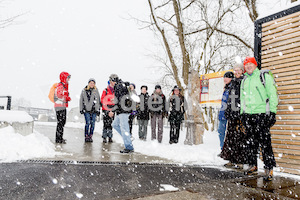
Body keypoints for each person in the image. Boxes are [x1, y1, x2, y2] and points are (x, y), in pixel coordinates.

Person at [240, 56, 278, 181]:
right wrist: (242, 113)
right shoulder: (244, 80)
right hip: (248, 115)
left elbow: (272, 94)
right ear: (244, 67)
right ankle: (253, 165)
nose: (249, 66)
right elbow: (242, 99)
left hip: (262, 114)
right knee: (251, 143)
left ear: (255, 65)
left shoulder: (264, 76)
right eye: (246, 65)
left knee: (265, 142)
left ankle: (269, 167)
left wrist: (272, 112)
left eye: (251, 64)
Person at [220, 64, 247, 168]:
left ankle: (239, 161)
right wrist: (227, 110)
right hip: (232, 113)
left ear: (242, 71)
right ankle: (231, 159)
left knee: (239, 138)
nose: (237, 72)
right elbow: (230, 99)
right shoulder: (233, 83)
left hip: (240, 114)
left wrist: (242, 112)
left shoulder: (244, 81)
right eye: (235, 70)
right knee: (230, 138)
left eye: (239, 70)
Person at [111, 75, 134, 153]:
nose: (111, 83)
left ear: (113, 80)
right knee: (115, 124)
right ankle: (128, 138)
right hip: (121, 110)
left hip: (123, 110)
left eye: (111, 81)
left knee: (124, 129)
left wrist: (113, 109)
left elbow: (120, 99)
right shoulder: (121, 85)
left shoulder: (119, 86)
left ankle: (129, 147)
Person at [79, 78, 101, 142]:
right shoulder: (84, 90)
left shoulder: (96, 91)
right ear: (88, 83)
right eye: (91, 83)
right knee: (87, 123)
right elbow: (81, 100)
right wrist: (81, 109)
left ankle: (90, 135)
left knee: (93, 124)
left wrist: (98, 109)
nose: (92, 84)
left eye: (93, 83)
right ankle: (86, 136)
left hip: (94, 110)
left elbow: (98, 101)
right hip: (86, 110)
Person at [218, 71, 234, 150]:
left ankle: (228, 149)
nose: (225, 79)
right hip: (223, 113)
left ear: (231, 78)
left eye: (227, 77)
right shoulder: (226, 87)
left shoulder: (233, 87)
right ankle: (222, 148)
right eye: (224, 77)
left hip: (229, 113)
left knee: (229, 133)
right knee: (220, 131)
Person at [54, 72, 71, 144]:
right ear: (64, 78)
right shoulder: (61, 86)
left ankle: (60, 137)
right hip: (59, 106)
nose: (69, 79)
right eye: (68, 78)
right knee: (61, 123)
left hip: (61, 106)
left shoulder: (64, 85)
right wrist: (67, 98)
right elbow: (59, 95)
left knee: (62, 122)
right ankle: (58, 139)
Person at [101, 74, 117, 143]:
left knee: (111, 123)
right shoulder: (105, 90)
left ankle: (110, 136)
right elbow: (102, 100)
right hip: (106, 108)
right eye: (112, 81)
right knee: (105, 123)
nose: (114, 83)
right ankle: (104, 137)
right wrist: (109, 101)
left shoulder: (116, 91)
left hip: (113, 108)